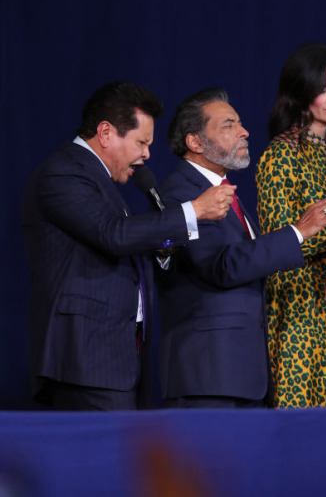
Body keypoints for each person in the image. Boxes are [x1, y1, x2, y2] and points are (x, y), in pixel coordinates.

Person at [21, 81, 234, 410]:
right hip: (83, 362)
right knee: (96, 461)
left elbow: (120, 240)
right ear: (106, 133)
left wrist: (161, 249)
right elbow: (112, 234)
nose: (147, 154)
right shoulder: (63, 174)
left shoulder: (100, 181)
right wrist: (194, 210)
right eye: (141, 142)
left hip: (116, 360)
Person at [156, 87, 326, 408]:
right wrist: (299, 231)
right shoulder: (182, 194)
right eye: (228, 125)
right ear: (195, 142)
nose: (244, 132)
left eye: (240, 123)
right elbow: (222, 266)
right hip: (208, 376)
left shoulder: (224, 190)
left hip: (240, 376)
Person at [256, 42, 326, 407]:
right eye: (323, 89)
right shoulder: (280, 155)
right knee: (298, 423)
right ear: (302, 92)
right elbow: (277, 245)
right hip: (298, 307)